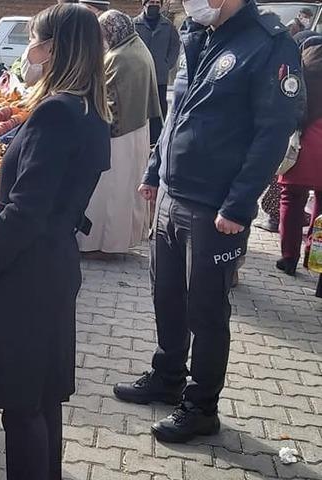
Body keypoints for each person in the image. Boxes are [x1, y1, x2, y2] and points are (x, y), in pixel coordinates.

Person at [113, 0, 303, 444]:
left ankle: (201, 408)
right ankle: (168, 376)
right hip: (172, 195)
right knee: (167, 297)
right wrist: (154, 170)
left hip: (215, 208)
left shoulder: (267, 43)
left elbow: (273, 132)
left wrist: (239, 205)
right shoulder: (198, 35)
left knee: (206, 310)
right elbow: (177, 110)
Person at [0, 5, 111, 479]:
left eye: (38, 39)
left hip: (25, 271)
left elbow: (26, 210)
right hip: (53, 264)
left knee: (21, 405)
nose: (32, 49)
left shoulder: (57, 112)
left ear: (56, 48)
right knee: (41, 397)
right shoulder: (88, 110)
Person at [78, 10, 161, 255]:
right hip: (135, 130)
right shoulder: (136, 46)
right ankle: (118, 240)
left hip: (119, 135)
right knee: (124, 189)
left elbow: (109, 99)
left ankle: (101, 242)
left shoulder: (121, 56)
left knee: (109, 191)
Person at [278, 34, 322, 274]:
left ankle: (289, 257)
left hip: (302, 148)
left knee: (292, 201)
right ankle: (315, 259)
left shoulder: (301, 71)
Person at [134, 0, 180, 143]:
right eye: (150, 1)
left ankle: (157, 141)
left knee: (160, 109)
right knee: (140, 109)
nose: (153, 4)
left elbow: (175, 46)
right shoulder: (134, 24)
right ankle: (141, 139)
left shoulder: (168, 26)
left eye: (156, 2)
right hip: (140, 77)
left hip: (159, 76)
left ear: (160, 5)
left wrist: (167, 64)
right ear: (144, 4)